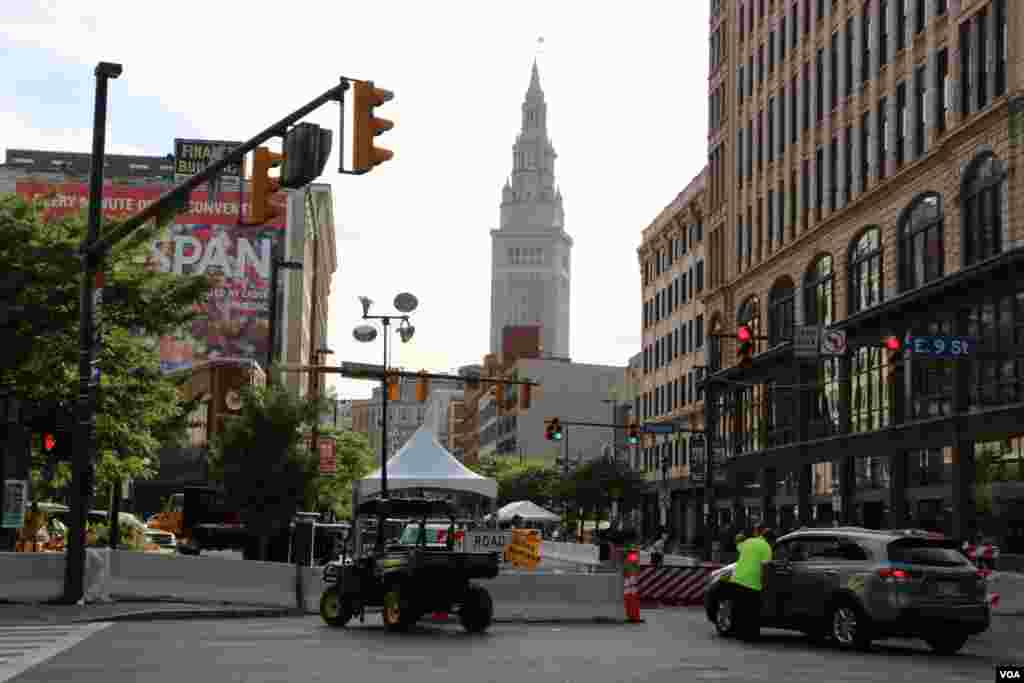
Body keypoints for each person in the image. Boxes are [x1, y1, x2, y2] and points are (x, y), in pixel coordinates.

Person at [731, 526, 773, 641]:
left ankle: (738, 633)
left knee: (740, 608)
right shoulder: (767, 548)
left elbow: (738, 545)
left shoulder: (749, 541)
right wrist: (766, 584)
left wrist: (739, 537)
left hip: (737, 579)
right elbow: (766, 567)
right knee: (752, 610)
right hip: (752, 582)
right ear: (770, 540)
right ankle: (751, 635)